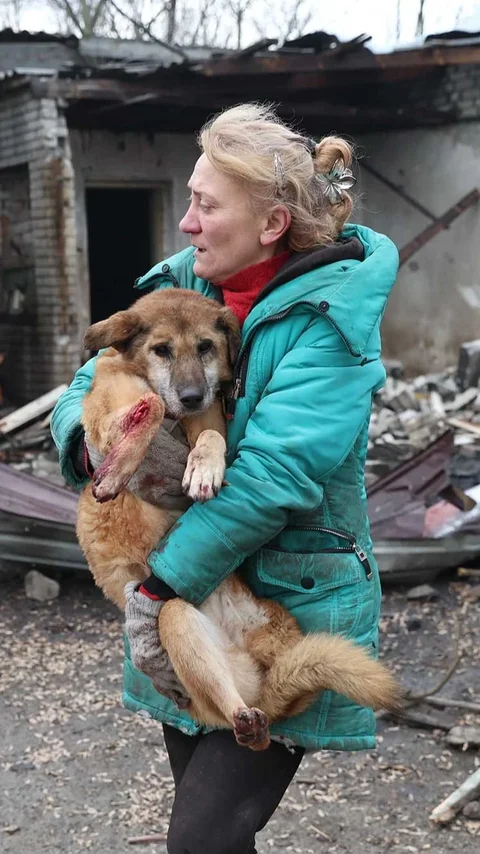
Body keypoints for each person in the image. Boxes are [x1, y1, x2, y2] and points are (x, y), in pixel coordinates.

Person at [51, 103, 399, 854]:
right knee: (209, 830)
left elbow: (273, 479)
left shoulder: (328, 322)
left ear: (270, 224)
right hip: (180, 608)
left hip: (279, 603)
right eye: (187, 198)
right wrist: (92, 452)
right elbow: (90, 383)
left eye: (206, 205)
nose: (185, 223)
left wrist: (159, 591)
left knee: (201, 837)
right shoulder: (183, 281)